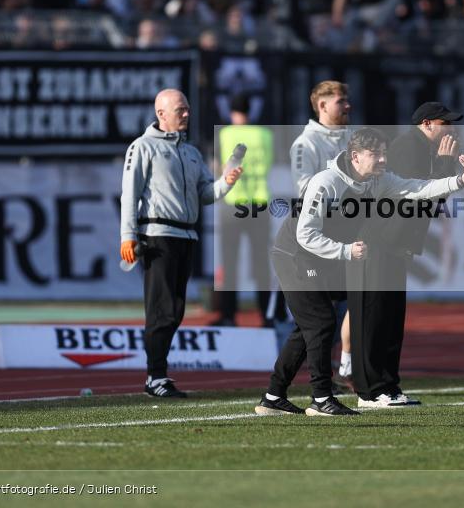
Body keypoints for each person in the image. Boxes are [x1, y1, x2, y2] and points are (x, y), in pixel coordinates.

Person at [255, 127, 464, 417]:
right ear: (355, 157)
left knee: (310, 327)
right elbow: (305, 235)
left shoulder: (378, 180)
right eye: (376, 154)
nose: (384, 159)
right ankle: (322, 399)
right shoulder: (326, 182)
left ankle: (273, 396)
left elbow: (417, 189)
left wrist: (459, 180)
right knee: (322, 322)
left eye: (385, 153)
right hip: (295, 254)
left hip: (320, 256)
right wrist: (346, 252)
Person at [120, 89, 242, 398]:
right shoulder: (143, 147)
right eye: (180, 109)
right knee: (161, 309)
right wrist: (128, 235)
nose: (186, 114)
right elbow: (129, 194)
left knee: (174, 310)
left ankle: (159, 373)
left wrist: (225, 183)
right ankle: (155, 377)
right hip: (158, 237)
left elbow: (205, 194)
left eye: (187, 108)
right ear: (161, 114)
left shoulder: (191, 151)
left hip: (186, 236)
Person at [350, 102, 463, 408]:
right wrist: (444, 165)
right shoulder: (407, 148)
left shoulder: (422, 149)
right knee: (373, 318)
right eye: (446, 123)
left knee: (390, 318)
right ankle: (370, 391)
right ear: (427, 123)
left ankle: (387, 385)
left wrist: (445, 166)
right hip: (378, 243)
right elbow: (419, 195)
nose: (451, 129)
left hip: (394, 244)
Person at [289, 81, 353, 387]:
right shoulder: (306, 143)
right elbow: (306, 189)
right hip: (320, 235)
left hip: (347, 230)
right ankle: (319, 378)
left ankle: (342, 368)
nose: (347, 106)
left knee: (345, 307)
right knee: (320, 316)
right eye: (341, 101)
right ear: (322, 106)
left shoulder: (351, 137)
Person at [213, 93, 276, 327]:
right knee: (261, 263)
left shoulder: (226, 134)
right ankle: (266, 315)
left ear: (231, 112)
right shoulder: (264, 135)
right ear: (251, 111)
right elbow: (269, 163)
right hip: (259, 204)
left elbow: (220, 167)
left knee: (230, 262)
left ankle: (229, 315)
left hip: (233, 204)